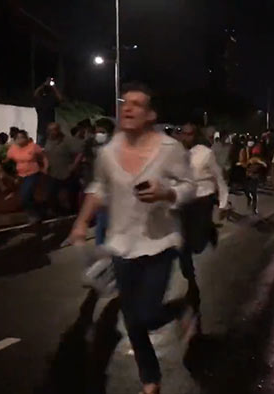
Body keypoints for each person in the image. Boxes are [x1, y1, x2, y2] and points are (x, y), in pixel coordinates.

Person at [68, 83, 195, 394]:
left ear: (151, 114)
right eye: (126, 102)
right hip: (122, 245)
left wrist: (167, 192)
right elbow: (99, 188)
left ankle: (181, 310)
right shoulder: (108, 151)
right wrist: (82, 222)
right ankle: (150, 379)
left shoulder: (169, 149)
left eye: (138, 104)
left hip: (159, 242)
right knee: (132, 320)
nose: (128, 107)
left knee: (148, 314)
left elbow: (190, 186)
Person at [172, 123, 229, 311]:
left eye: (189, 134)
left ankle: (208, 231)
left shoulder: (205, 153)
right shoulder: (175, 153)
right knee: (182, 242)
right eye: (183, 133)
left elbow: (219, 178)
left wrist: (222, 203)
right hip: (184, 201)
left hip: (203, 199)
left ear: (195, 136)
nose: (185, 137)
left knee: (197, 245)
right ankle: (190, 277)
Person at [4, 130, 48, 224]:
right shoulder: (13, 148)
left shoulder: (33, 147)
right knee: (28, 196)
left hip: (33, 173)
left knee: (25, 195)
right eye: (18, 138)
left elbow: (43, 157)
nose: (20, 140)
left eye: (22, 137)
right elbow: (6, 160)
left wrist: (45, 168)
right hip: (20, 175)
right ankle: (40, 209)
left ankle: (33, 215)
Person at [84, 118, 115, 245]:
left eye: (102, 132)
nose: (98, 134)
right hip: (97, 186)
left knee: (106, 219)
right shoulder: (90, 144)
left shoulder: (116, 146)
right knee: (102, 219)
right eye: (97, 131)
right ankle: (101, 247)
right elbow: (88, 162)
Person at [43, 122, 83, 216]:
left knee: (72, 195)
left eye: (55, 129)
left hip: (67, 172)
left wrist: (74, 165)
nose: (52, 132)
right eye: (50, 130)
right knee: (51, 194)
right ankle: (58, 213)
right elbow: (46, 154)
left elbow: (80, 152)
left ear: (58, 130)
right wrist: (45, 165)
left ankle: (74, 214)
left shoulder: (67, 141)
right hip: (53, 172)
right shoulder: (48, 141)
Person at [33, 78, 63, 146]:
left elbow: (35, 94)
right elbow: (60, 99)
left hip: (44, 130)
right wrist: (53, 87)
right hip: (47, 130)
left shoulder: (42, 101)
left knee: (43, 149)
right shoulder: (48, 101)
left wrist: (43, 85)